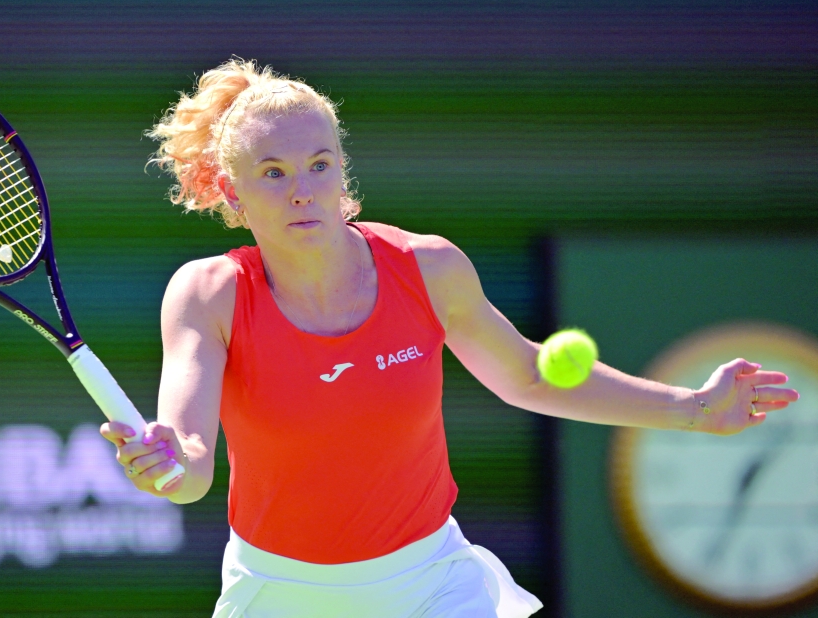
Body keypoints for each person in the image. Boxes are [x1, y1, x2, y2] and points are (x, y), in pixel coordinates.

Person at [100, 59, 799, 618]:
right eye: (274, 175)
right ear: (231, 191)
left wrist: (692, 409)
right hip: (278, 591)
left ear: (344, 169)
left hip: (431, 583)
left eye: (320, 164)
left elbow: (526, 375)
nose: (303, 190)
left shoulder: (426, 268)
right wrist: (162, 464)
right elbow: (190, 469)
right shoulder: (208, 294)